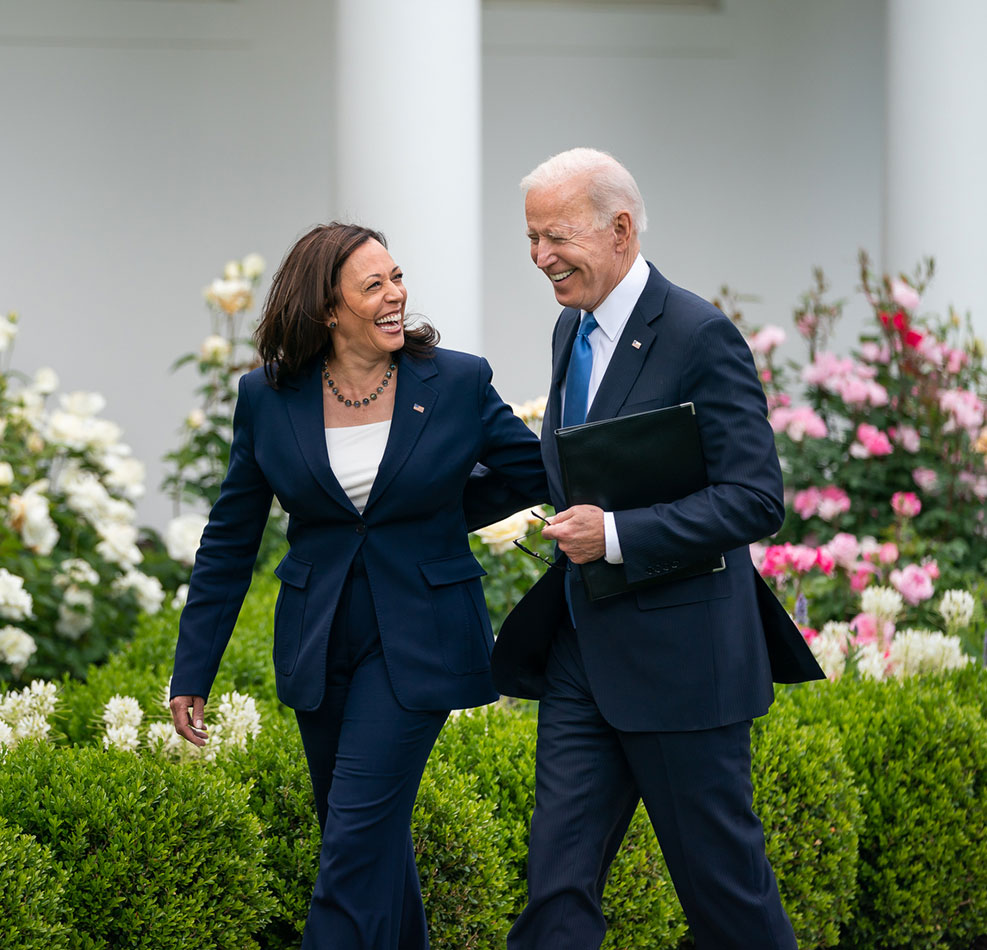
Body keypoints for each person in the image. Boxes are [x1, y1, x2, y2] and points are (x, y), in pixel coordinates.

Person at [168, 222, 547, 950]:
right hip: (319, 638)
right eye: (373, 285)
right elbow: (229, 538)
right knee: (364, 837)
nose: (396, 294)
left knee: (350, 845)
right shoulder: (267, 396)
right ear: (326, 309)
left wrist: (435, 517)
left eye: (396, 278)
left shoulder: (457, 381)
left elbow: (529, 472)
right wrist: (194, 670)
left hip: (420, 639)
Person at [492, 148, 824, 950]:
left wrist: (613, 534)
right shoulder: (567, 326)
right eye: (530, 238)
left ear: (620, 228)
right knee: (554, 893)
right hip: (582, 656)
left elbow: (753, 498)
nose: (540, 257)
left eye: (555, 237)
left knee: (728, 905)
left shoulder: (699, 334)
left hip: (685, 665)